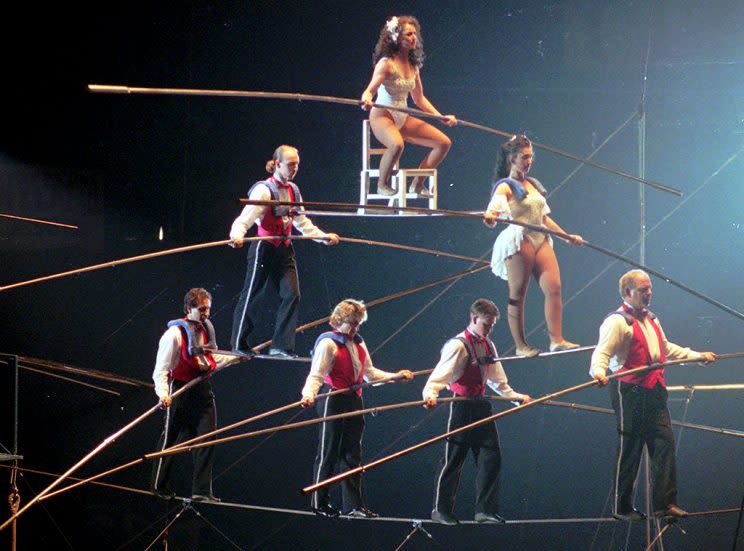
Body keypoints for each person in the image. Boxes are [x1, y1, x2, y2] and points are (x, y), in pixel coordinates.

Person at [590, 270, 716, 521]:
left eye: (650, 289)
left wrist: (698, 357)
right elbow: (601, 352)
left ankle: (664, 505)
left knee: (663, 444)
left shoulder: (652, 319)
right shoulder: (617, 322)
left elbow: (666, 350)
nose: (649, 294)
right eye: (643, 290)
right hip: (630, 392)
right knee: (631, 448)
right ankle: (621, 507)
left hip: (655, 389)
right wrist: (599, 372)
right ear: (628, 292)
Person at [300, 299, 413, 518]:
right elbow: (316, 375)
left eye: (358, 323)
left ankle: (353, 505)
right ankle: (319, 502)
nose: (356, 328)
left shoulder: (359, 342)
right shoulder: (328, 343)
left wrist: (395, 376)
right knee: (328, 451)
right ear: (339, 320)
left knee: (352, 453)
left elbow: (370, 374)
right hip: (332, 398)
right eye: (352, 323)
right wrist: (308, 395)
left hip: (354, 399)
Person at [423, 298, 532, 525]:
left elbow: (498, 382)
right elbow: (439, 376)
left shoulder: (488, 345)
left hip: (482, 406)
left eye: (492, 326)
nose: (490, 329)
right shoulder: (457, 346)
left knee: (491, 456)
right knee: (454, 459)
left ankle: (485, 510)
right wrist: (430, 394)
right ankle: (441, 510)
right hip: (462, 405)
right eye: (486, 325)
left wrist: (516, 398)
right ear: (474, 319)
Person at [229, 145, 340, 358]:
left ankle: (281, 346)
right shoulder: (263, 189)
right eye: (290, 164)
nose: (294, 168)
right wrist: (237, 235)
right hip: (265, 246)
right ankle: (239, 343)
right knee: (252, 295)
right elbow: (245, 218)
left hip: (285, 248)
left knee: (292, 294)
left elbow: (302, 222)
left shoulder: (293, 190)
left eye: (297, 164)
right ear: (277, 164)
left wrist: (323, 237)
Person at [484, 134, 583, 357]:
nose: (529, 162)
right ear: (512, 158)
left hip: (540, 237)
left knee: (554, 288)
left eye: (531, 157)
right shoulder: (506, 185)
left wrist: (566, 237)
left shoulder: (532, 184)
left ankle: (556, 340)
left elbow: (544, 218)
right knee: (518, 294)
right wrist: (491, 213)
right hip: (520, 239)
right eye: (524, 157)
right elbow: (497, 202)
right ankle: (520, 346)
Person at [151, 288, 242, 502]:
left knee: (207, 438)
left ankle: (201, 490)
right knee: (171, 441)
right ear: (189, 308)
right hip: (180, 390)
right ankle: (159, 485)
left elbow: (211, 359)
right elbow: (161, 370)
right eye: (201, 309)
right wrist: (163, 394)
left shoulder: (205, 331)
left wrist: (237, 358)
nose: (206, 314)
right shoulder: (173, 335)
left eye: (208, 309)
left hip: (202, 389)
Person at [360, 15, 456, 197]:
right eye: (408, 35)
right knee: (397, 144)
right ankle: (382, 184)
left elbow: (419, 99)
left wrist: (440, 117)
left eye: (414, 34)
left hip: (402, 115)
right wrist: (366, 99)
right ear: (396, 38)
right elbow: (369, 90)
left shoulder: (413, 66)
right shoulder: (386, 64)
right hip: (382, 114)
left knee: (443, 143)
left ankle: (417, 184)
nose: (413, 38)